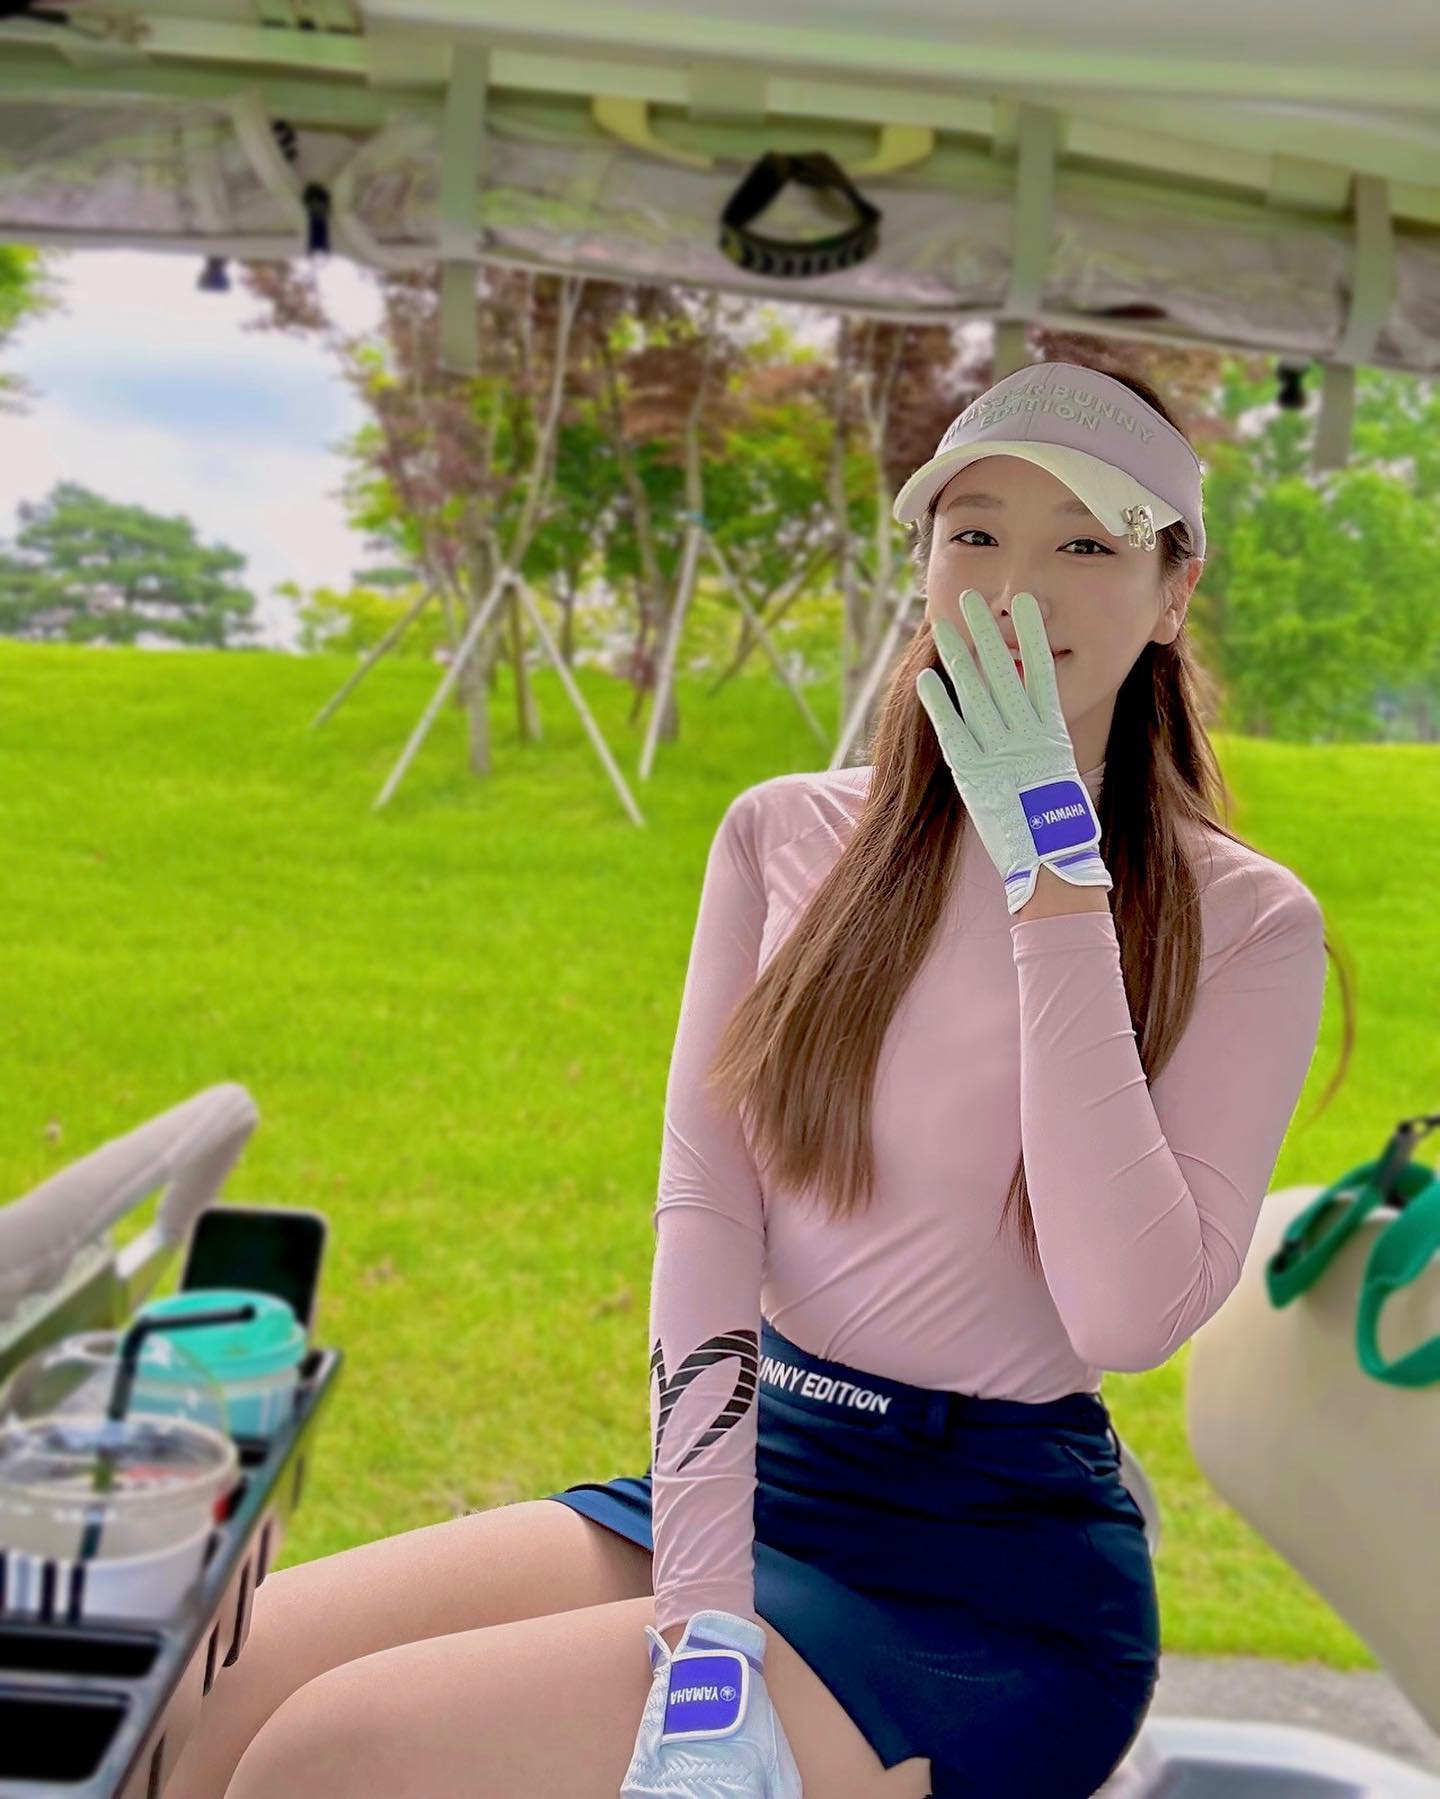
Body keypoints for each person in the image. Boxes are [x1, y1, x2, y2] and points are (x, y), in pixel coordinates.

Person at [172, 359, 1340, 1799]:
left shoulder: (1249, 923)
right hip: (751, 1467)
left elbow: (1125, 1313)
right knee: (209, 1693)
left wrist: (1053, 872)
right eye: (975, 532)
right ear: (923, 559)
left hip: (983, 1571)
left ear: (1173, 591)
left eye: (1088, 544)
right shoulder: (785, 836)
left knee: (329, 1761)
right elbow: (707, 1220)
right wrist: (701, 1618)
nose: (1016, 586)